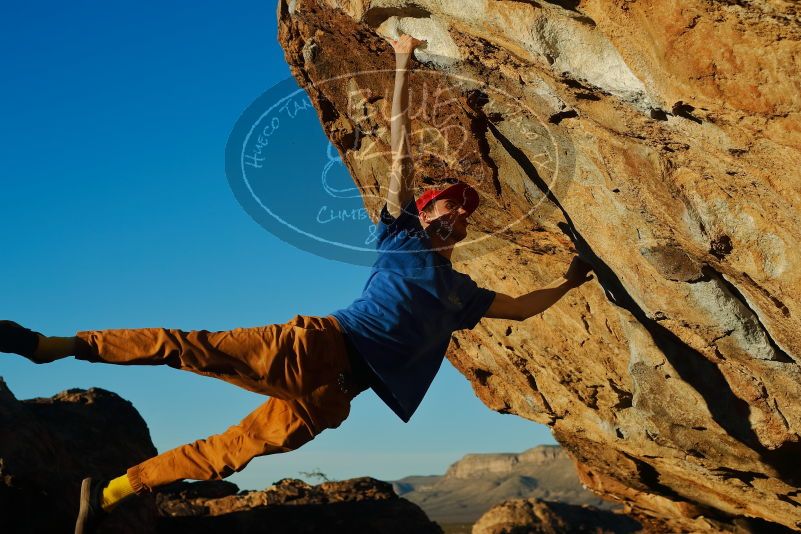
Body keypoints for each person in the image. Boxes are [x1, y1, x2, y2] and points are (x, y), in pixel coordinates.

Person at [0, 33, 593, 534]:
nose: (458, 216)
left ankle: (108, 493)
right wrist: (402, 63)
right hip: (313, 346)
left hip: (336, 395)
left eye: (464, 213)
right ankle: (51, 348)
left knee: (232, 454)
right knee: (185, 348)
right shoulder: (400, 235)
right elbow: (400, 151)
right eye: (447, 207)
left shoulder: (461, 292)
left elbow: (519, 308)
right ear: (424, 211)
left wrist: (569, 283)